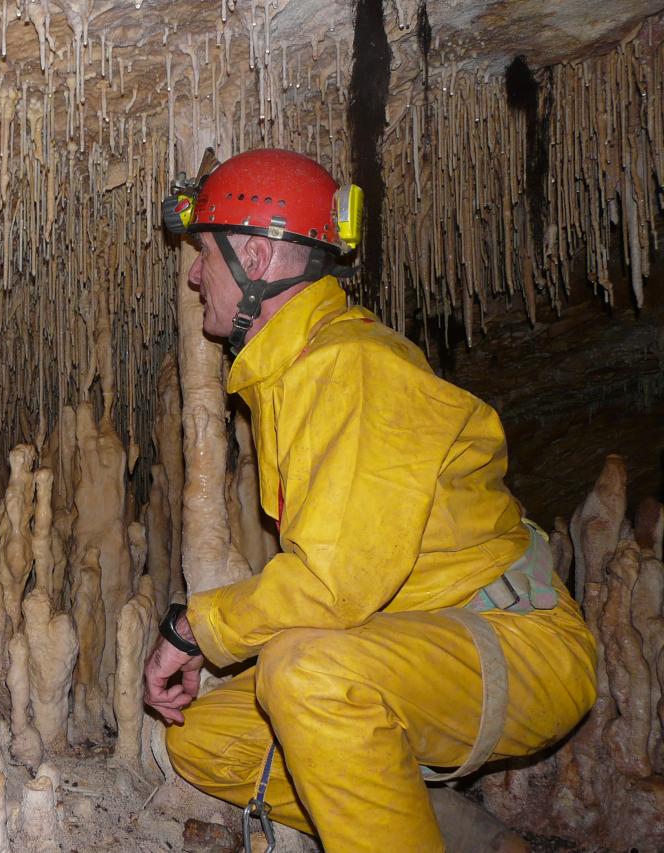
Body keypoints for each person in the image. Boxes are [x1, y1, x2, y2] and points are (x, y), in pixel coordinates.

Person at [144, 148, 597, 852]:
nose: (196, 273)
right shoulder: (294, 374)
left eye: (204, 251)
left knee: (306, 674)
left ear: (258, 261)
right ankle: (449, 831)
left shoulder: (350, 368)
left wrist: (193, 628)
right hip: (406, 642)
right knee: (206, 740)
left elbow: (332, 584)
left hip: (513, 643)